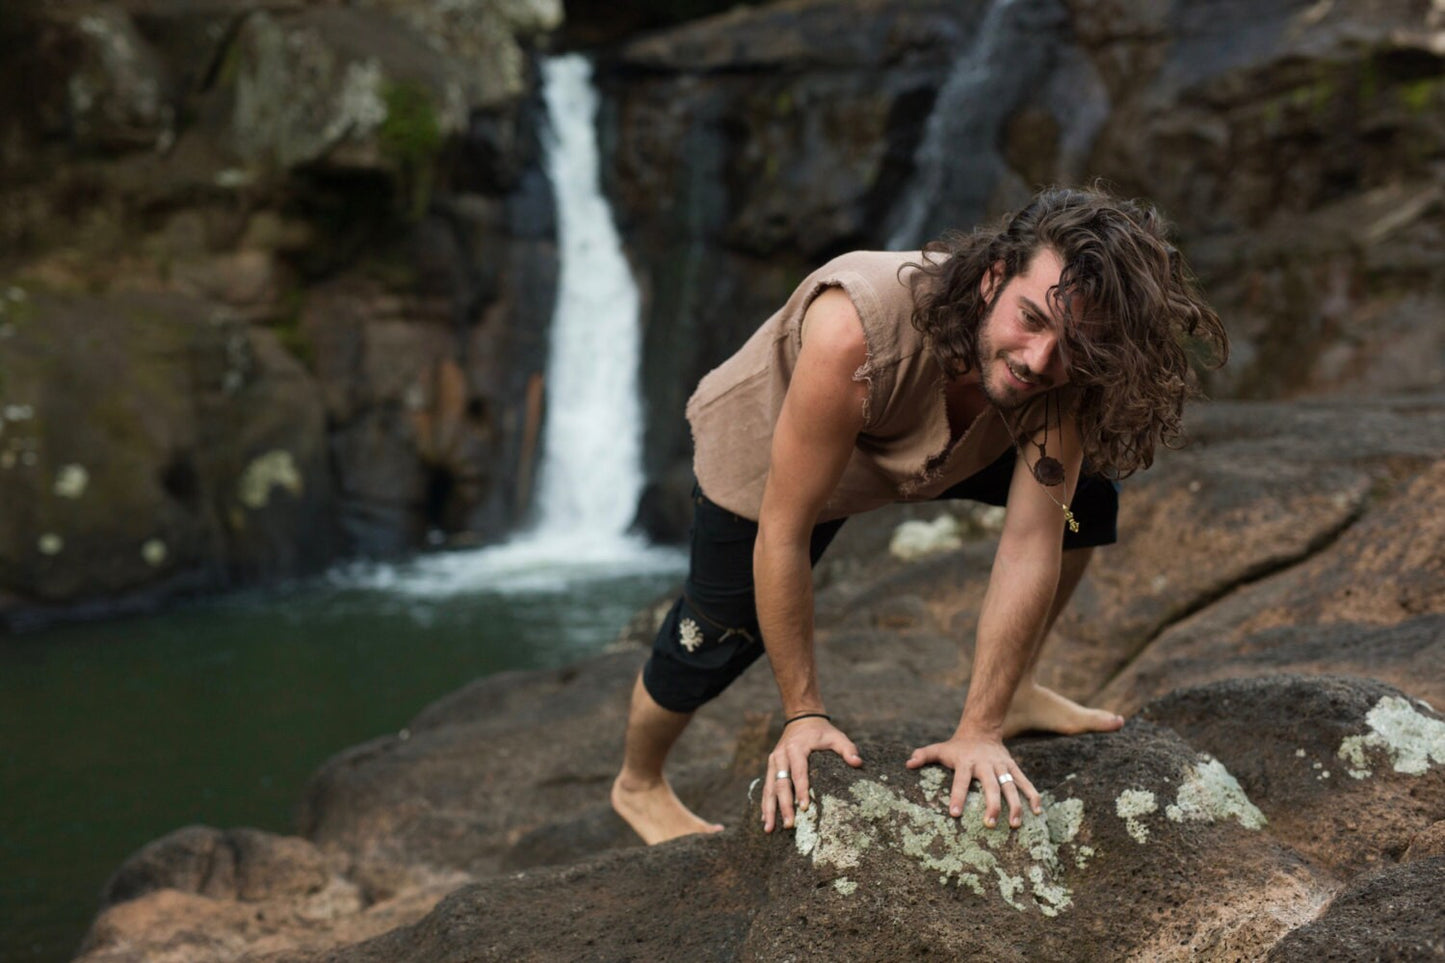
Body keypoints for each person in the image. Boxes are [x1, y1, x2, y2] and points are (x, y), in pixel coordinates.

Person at [610, 185, 1228, 844]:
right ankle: (637, 782)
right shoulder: (850, 330)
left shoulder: (1059, 372)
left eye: (1074, 342)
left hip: (942, 446)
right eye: (1030, 318)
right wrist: (803, 715)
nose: (1038, 359)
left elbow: (1029, 542)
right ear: (992, 278)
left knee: (1088, 494)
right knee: (713, 636)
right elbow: (783, 532)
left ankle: (1013, 689)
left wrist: (979, 729)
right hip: (775, 451)